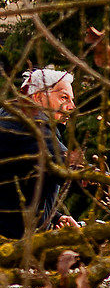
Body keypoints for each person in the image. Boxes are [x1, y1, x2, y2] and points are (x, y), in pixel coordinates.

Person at [1, 69, 74, 243]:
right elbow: (73, 172)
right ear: (38, 97)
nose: (72, 106)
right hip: (11, 248)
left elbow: (15, 183)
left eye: (72, 100)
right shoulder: (32, 126)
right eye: (64, 97)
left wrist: (55, 217)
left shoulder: (10, 115)